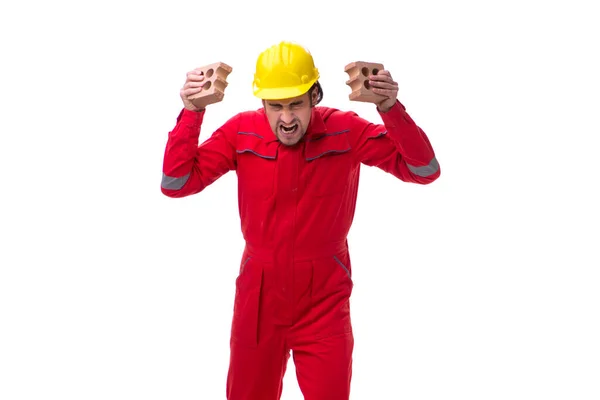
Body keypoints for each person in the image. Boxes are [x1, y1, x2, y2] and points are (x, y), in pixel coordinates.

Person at [161, 41, 440, 400]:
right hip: (258, 303)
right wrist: (191, 113)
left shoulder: (346, 130)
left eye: (296, 104)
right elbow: (176, 182)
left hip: (324, 303)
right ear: (262, 103)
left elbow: (423, 170)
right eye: (276, 107)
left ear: (314, 97)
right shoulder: (240, 132)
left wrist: (390, 108)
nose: (287, 118)